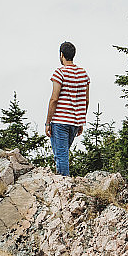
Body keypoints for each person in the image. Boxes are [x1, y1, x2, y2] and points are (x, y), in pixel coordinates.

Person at [45, 41, 90, 176]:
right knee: (63, 154)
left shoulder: (59, 73)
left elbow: (54, 99)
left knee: (61, 156)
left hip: (60, 121)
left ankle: (64, 184)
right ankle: (63, 180)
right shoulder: (83, 74)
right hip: (75, 122)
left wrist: (47, 122)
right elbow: (86, 100)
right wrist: (81, 121)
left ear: (61, 55)